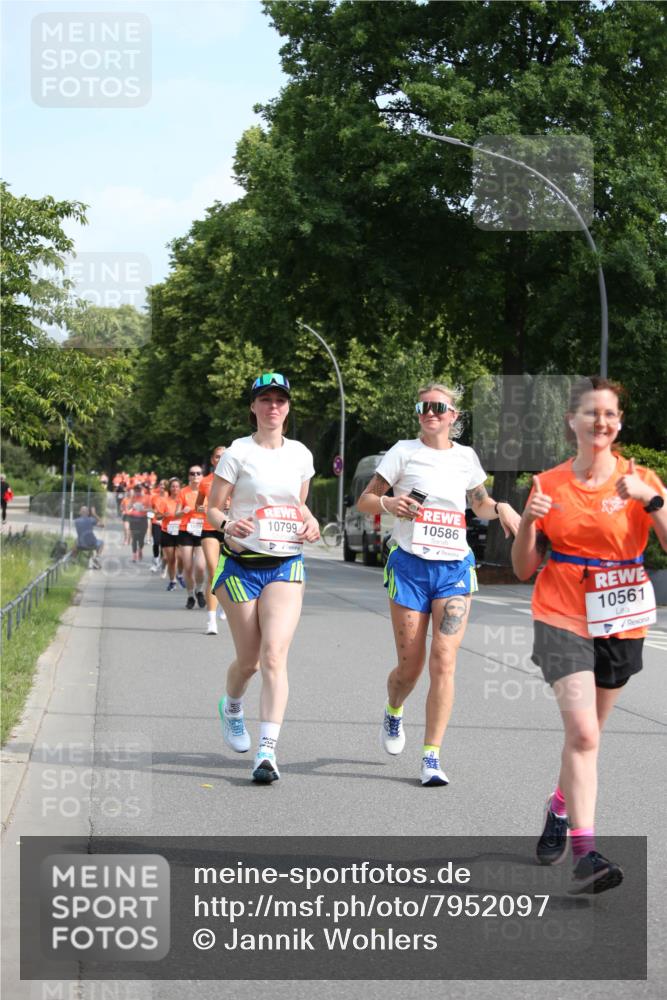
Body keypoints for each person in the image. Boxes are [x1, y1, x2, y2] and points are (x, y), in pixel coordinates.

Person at [512, 376, 667, 894]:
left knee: (589, 737)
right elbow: (522, 567)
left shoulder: (642, 479)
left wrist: (651, 502)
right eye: (590, 413)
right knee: (582, 734)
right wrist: (528, 526)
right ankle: (586, 853)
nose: (600, 422)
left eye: (609, 414)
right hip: (560, 615)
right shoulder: (548, 485)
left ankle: (559, 807)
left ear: (618, 423)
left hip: (622, 618)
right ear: (571, 422)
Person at [357, 382, 521, 786]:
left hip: (454, 569)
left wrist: (499, 507)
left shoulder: (466, 458)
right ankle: (394, 709)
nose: (430, 412)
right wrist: (388, 504)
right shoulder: (402, 452)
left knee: (444, 659)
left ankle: (431, 757)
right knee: (410, 668)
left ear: (454, 417)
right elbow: (365, 500)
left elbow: (478, 503)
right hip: (410, 566)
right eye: (423, 406)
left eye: (438, 407)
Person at [207, 372, 320, 783]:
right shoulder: (238, 453)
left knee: (274, 655)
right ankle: (232, 706)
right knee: (250, 662)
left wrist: (312, 523)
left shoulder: (301, 456)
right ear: (253, 407)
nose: (274, 406)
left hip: (285, 564)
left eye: (280, 400)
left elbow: (298, 507)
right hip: (240, 566)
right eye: (265, 400)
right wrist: (226, 526)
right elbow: (213, 509)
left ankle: (266, 752)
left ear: (288, 407)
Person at [196, 445, 229, 635]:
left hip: (230, 529)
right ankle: (211, 620)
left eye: (223, 457)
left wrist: (230, 505)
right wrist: (207, 508)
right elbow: (198, 505)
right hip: (209, 528)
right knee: (213, 570)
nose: (220, 459)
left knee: (228, 571)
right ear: (212, 460)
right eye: (217, 457)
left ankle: (224, 604)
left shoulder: (237, 480)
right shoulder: (206, 482)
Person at [177, 466, 207, 609]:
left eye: (198, 473)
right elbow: (176, 514)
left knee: (200, 567)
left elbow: (215, 509)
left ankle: (199, 589)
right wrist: (183, 511)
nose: (195, 475)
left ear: (202, 475)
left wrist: (204, 509)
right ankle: (190, 595)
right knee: (188, 567)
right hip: (186, 530)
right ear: (188, 476)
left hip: (202, 529)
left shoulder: (207, 491)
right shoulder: (183, 492)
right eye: (192, 473)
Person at [159, 478, 182, 591]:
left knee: (180, 557)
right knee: (171, 559)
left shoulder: (182, 501)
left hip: (180, 531)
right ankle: (172, 580)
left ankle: (180, 574)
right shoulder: (165, 501)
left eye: (177, 486)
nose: (175, 489)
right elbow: (157, 516)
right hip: (167, 531)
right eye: (173, 486)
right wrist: (164, 514)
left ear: (180, 488)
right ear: (170, 488)